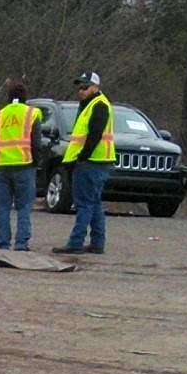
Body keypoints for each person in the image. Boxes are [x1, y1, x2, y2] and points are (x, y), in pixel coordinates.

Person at [55, 69, 117, 256]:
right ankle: (97, 243)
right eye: (79, 87)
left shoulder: (98, 105)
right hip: (94, 161)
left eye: (85, 86)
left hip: (92, 162)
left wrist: (82, 156)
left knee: (84, 204)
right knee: (94, 203)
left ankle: (76, 242)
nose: (81, 90)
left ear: (95, 87)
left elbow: (94, 134)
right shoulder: (89, 104)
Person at [0, 77, 38, 253]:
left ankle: (2, 244)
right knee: (24, 206)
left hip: (3, 167)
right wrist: (36, 162)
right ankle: (21, 244)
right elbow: (36, 141)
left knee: (2, 207)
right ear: (25, 97)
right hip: (24, 165)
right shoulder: (32, 113)